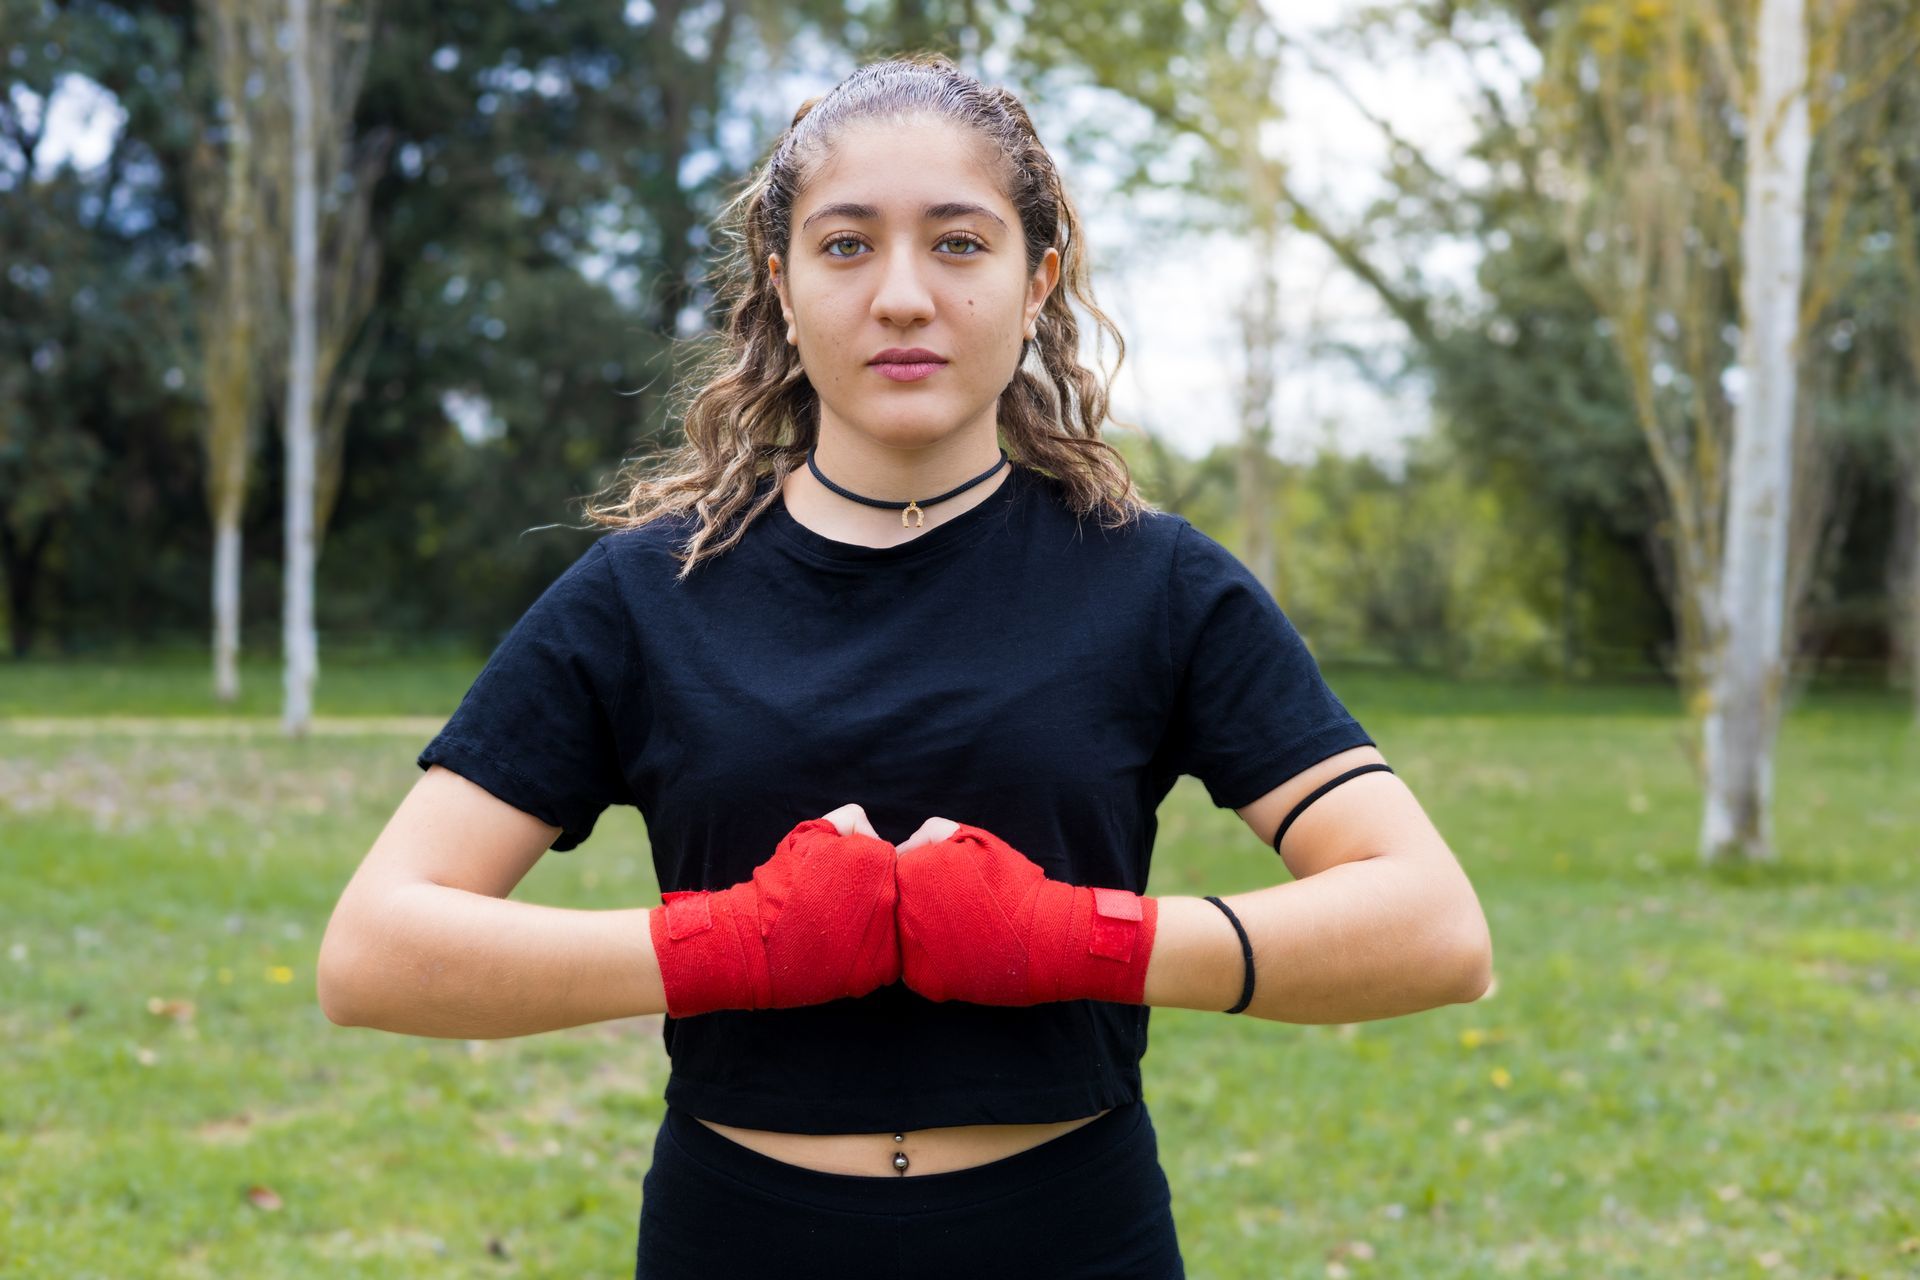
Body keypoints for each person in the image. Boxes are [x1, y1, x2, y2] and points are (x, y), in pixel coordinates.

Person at [316, 52, 1493, 1280]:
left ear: (1038, 278)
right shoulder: (642, 596)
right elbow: (374, 951)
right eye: (844, 245)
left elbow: (1434, 925)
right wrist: (730, 947)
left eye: (959, 243)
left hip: (1071, 1235)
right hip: (740, 1237)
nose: (902, 296)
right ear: (779, 284)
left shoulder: (1157, 584)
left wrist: (1082, 939)